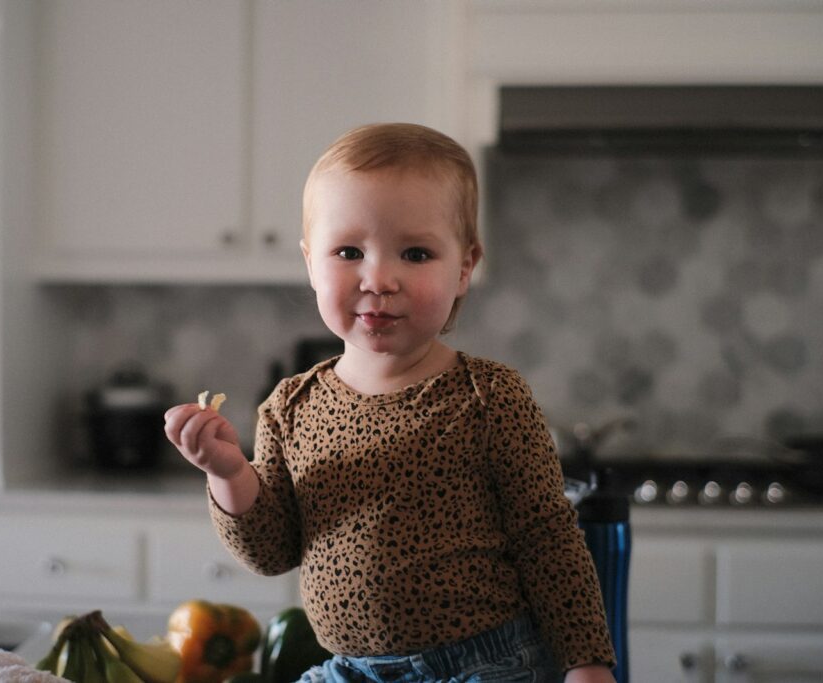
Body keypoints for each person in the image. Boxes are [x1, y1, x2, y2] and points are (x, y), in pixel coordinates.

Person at [164, 123, 617, 683]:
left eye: (416, 253)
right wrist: (228, 471)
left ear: (464, 268)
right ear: (311, 263)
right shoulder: (290, 407)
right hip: (351, 671)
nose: (379, 278)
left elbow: (548, 540)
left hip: (484, 664)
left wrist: (587, 665)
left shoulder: (489, 397)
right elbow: (271, 552)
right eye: (349, 251)